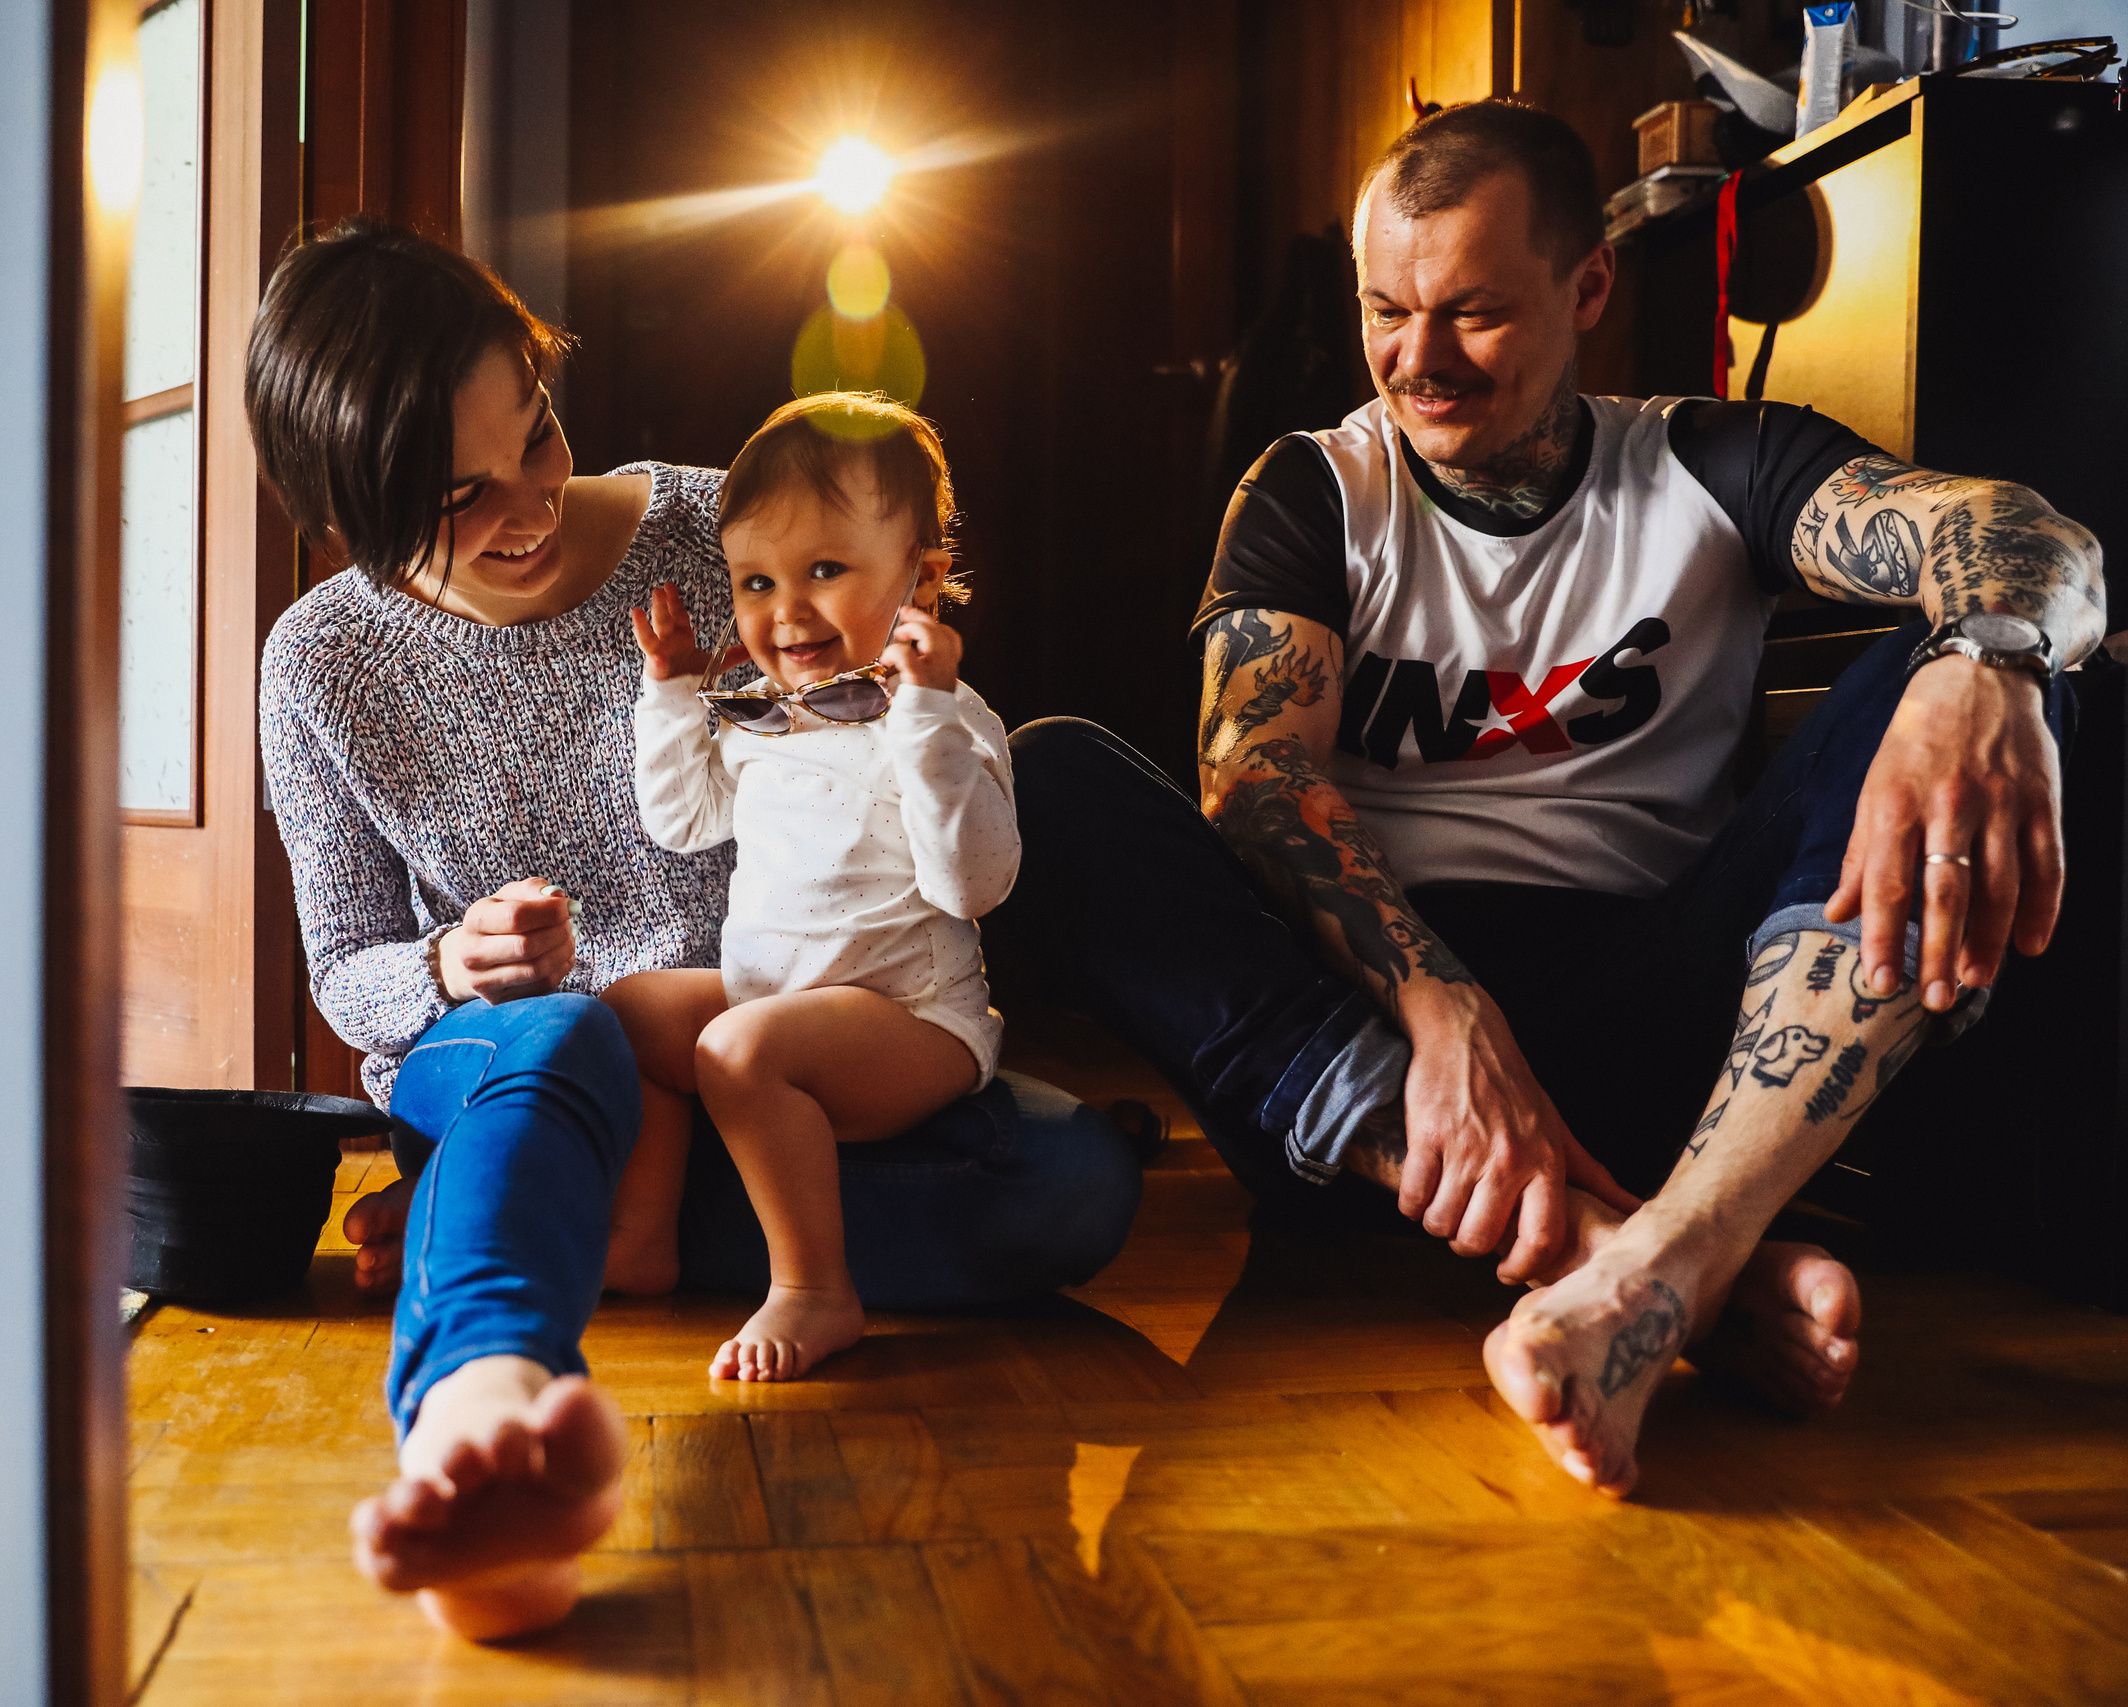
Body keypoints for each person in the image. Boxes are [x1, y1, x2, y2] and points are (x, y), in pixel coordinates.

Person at [984, 100, 2105, 1498]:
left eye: (1472, 313)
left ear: (1586, 288)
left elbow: (2029, 533)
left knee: (1969, 669)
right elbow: (1256, 775)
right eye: (1386, 310)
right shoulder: (1317, 487)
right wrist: (1443, 1007)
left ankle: (1677, 1239)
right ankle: (1635, 1264)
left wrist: (1982, 663)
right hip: (1375, 1076)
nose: (1417, 360)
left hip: (1665, 1025)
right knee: (1045, 775)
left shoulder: (1712, 457)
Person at [245, 218, 1143, 1638]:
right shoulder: (319, 662)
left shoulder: (720, 528)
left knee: (1076, 1182)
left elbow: (888, 773)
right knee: (567, 1032)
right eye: (459, 493)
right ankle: (484, 1411)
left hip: (773, 1041)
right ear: (348, 501)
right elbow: (346, 973)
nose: (531, 505)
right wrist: (443, 963)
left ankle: (540, 1218)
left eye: (536, 435)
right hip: (525, 1054)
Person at [605, 393, 1015, 1382]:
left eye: (824, 570)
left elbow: (971, 888)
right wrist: (669, 693)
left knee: (740, 1050)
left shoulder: (950, 724)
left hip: (909, 1024)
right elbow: (682, 821)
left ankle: (813, 1288)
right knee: (630, 1010)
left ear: (923, 577)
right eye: (755, 579)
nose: (783, 608)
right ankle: (640, 1234)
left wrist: (923, 722)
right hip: (777, 1001)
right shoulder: (764, 714)